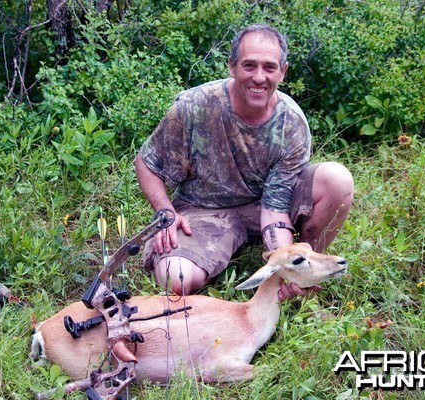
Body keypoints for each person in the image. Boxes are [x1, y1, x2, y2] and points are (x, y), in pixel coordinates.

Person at [135, 24, 354, 300]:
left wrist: (285, 263)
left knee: (336, 179)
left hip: (263, 206)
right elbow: (146, 163)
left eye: (269, 67)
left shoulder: (292, 123)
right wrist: (165, 213)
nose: (259, 77)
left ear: (283, 72)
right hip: (203, 211)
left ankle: (303, 274)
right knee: (174, 278)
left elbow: (275, 206)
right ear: (232, 66)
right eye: (249, 65)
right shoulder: (193, 106)